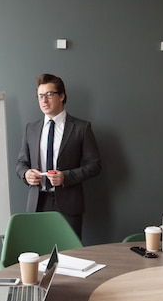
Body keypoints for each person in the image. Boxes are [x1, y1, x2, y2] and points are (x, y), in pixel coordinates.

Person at [16, 73, 101, 240]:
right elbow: (21, 163)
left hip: (69, 205)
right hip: (37, 204)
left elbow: (95, 165)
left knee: (69, 256)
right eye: (40, 96)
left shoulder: (81, 128)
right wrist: (26, 174)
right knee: (39, 255)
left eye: (49, 94)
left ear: (61, 96)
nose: (44, 100)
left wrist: (66, 177)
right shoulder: (30, 129)